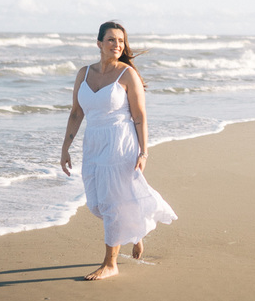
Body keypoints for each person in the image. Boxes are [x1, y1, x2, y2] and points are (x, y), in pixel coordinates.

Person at [60, 21, 177, 280]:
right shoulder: (84, 73)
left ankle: (110, 263)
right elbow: (76, 113)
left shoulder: (127, 75)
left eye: (121, 41)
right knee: (98, 203)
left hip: (120, 143)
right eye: (111, 40)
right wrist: (65, 148)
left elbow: (140, 116)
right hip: (93, 143)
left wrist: (143, 152)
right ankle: (135, 231)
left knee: (113, 202)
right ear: (99, 43)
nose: (117, 45)